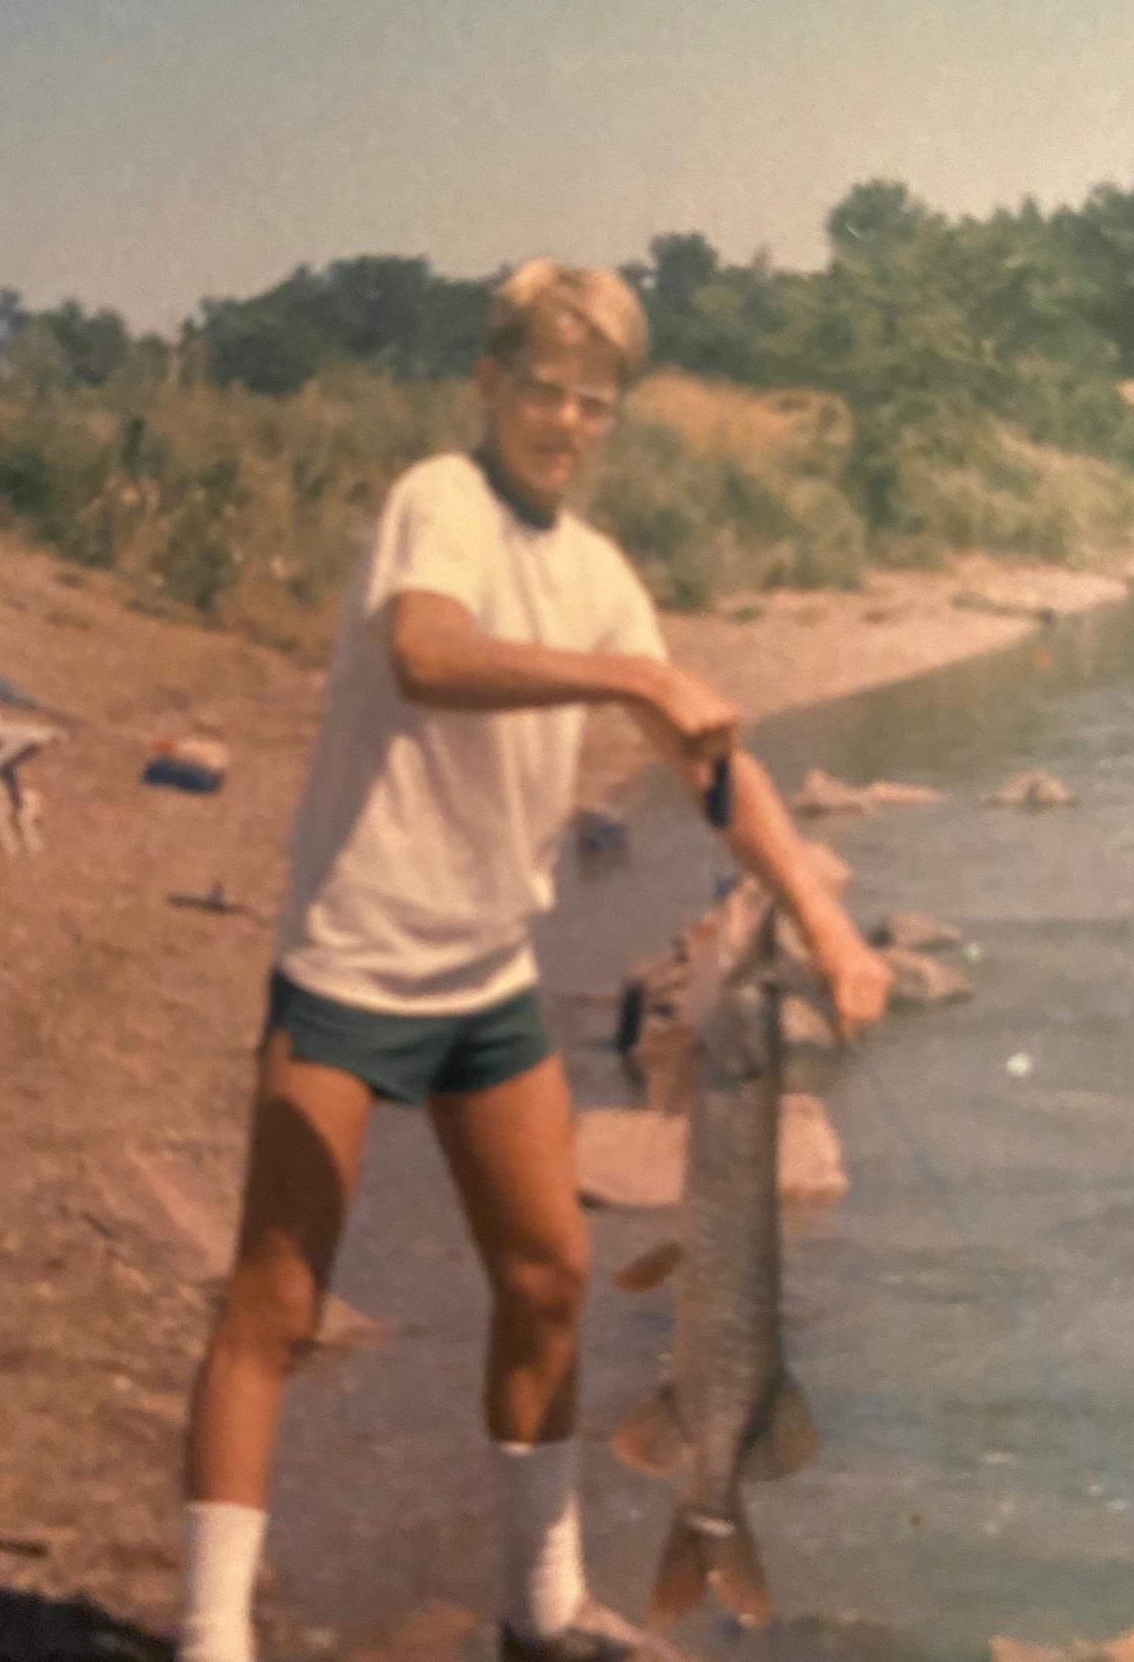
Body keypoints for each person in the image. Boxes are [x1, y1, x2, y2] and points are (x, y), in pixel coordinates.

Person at [178, 259, 893, 1662]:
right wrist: (631, 679)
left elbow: (708, 763)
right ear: (490, 383)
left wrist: (824, 917)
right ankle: (208, 1636)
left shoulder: (596, 570)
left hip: (486, 975)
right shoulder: (435, 503)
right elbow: (431, 653)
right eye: (544, 388)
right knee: (276, 1293)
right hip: (354, 958)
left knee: (553, 1275)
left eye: (594, 402)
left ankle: (542, 1603)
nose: (564, 420)